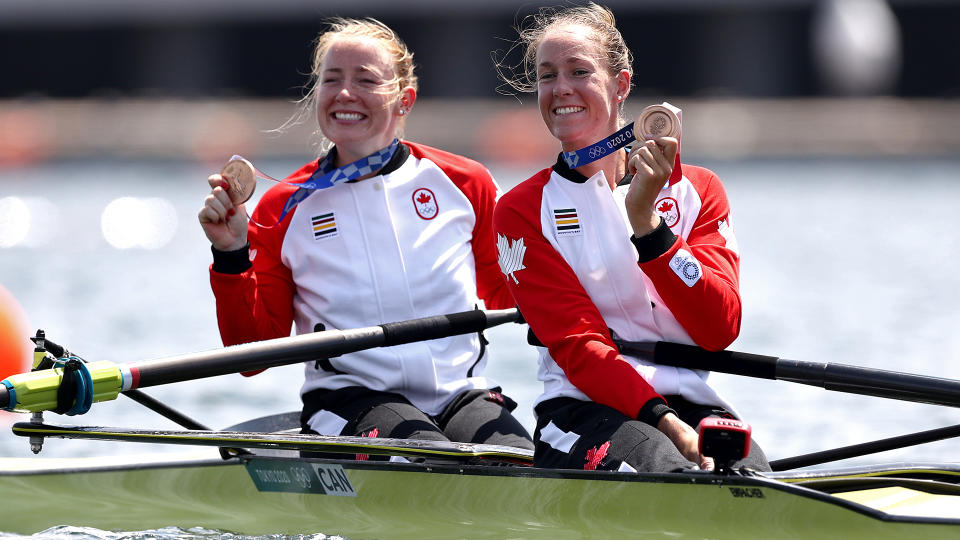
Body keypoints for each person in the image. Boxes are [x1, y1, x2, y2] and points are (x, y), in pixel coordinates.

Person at [198, 17, 532, 453]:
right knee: (428, 457)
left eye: (365, 80)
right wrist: (230, 254)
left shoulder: (465, 183)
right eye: (331, 79)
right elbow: (252, 354)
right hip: (349, 400)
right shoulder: (281, 207)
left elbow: (512, 296)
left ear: (404, 100)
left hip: (461, 395)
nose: (343, 94)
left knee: (520, 464)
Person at [492, 3, 769, 472]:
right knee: (673, 471)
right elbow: (580, 347)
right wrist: (670, 425)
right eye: (547, 75)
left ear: (620, 84)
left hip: (693, 403)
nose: (561, 89)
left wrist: (647, 224)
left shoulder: (697, 189)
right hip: (581, 407)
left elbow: (718, 329)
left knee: (752, 480)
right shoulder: (521, 211)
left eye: (579, 71)